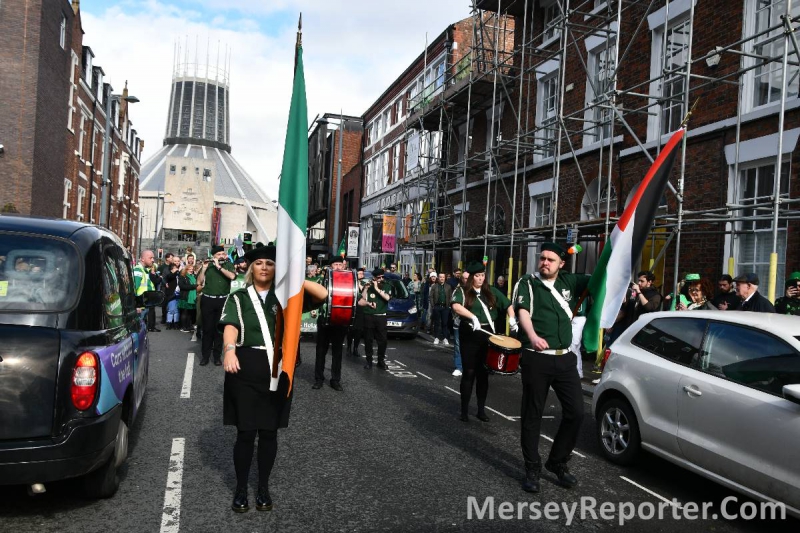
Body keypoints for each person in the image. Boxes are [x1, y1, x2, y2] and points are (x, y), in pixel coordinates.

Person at [219, 244, 327, 513]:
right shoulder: (239, 298)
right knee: (245, 434)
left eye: (269, 263)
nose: (264, 267)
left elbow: (323, 294)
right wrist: (229, 350)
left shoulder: (286, 297)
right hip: (245, 368)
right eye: (259, 263)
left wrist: (292, 280)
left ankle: (263, 487)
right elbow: (231, 327)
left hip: (278, 370)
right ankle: (242, 488)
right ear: (251, 268)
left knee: (268, 433)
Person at [513, 242, 589, 493]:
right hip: (537, 357)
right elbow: (522, 311)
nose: (544, 262)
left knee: (576, 412)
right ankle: (532, 467)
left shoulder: (570, 281)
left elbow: (599, 279)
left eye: (550, 260)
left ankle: (556, 462)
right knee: (532, 413)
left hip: (566, 358)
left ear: (561, 264)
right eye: (542, 258)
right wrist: (532, 336)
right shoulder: (527, 282)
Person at [451, 261, 516, 422]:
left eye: (482, 275)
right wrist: (472, 317)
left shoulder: (491, 291)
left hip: (488, 335)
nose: (480, 278)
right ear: (472, 277)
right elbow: (456, 306)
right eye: (477, 276)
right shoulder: (462, 291)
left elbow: (507, 304)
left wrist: (513, 319)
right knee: (469, 372)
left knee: (483, 374)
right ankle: (464, 410)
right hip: (470, 334)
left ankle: (481, 410)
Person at [313, 256, 350, 391]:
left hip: (340, 320)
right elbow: (314, 296)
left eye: (340, 264)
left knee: (337, 352)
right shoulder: (322, 280)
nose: (338, 267)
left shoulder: (348, 282)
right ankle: (319, 379)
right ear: (330, 266)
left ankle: (335, 380)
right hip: (324, 319)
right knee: (321, 351)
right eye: (335, 264)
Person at [197, 245, 237, 366]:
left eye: (222, 254)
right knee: (207, 329)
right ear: (213, 256)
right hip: (208, 300)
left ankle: (217, 356)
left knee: (219, 330)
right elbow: (199, 281)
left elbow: (232, 276)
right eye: (218, 254)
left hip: (223, 300)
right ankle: (205, 356)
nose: (221, 256)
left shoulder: (228, 265)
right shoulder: (207, 265)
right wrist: (203, 268)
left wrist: (219, 267)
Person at [360, 267, 395, 369]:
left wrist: (376, 289)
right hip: (369, 315)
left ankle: (381, 360)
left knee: (382, 340)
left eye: (382, 277)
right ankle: (369, 361)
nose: (380, 279)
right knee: (368, 339)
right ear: (374, 278)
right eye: (378, 277)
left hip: (381, 316)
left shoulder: (387, 285)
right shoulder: (368, 285)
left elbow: (387, 298)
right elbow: (362, 299)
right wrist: (366, 288)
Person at [133, 250, 158, 332]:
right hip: (140, 307)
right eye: (150, 258)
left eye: (153, 258)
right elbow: (134, 288)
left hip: (144, 305)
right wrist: (137, 305)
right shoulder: (138, 270)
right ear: (142, 259)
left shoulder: (144, 270)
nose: (153, 260)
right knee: (138, 331)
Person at [451, 270, 470, 377]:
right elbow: (455, 307)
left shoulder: (476, 291)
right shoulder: (458, 290)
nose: (466, 280)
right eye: (464, 278)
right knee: (458, 345)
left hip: (473, 325)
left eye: (468, 278)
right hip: (459, 322)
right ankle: (459, 366)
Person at [347, 267, 368, 357]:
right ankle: (348, 347)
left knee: (359, 330)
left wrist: (363, 286)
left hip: (360, 310)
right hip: (352, 308)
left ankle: (355, 348)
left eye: (362, 274)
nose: (361, 275)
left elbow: (364, 296)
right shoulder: (351, 282)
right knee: (350, 330)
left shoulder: (364, 283)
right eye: (360, 273)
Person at [429, 273, 453, 345]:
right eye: (440, 277)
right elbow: (431, 296)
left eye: (443, 277)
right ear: (438, 278)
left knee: (445, 323)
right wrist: (433, 306)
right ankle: (436, 337)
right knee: (437, 323)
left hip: (445, 307)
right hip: (437, 306)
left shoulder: (448, 287)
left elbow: (450, 296)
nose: (442, 278)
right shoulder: (434, 286)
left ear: (445, 278)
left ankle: (445, 338)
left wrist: (449, 306)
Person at [178, 264, 198, 332]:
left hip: (192, 297)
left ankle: (189, 326)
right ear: (186, 269)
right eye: (189, 269)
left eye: (192, 269)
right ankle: (183, 327)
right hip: (185, 296)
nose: (191, 270)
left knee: (190, 313)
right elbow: (182, 286)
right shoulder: (182, 276)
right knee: (185, 313)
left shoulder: (194, 276)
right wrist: (194, 286)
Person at [163, 258, 181, 329]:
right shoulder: (170, 275)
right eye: (174, 268)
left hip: (178, 294)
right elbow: (170, 277)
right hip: (171, 294)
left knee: (176, 310)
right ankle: (169, 323)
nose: (176, 269)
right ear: (171, 270)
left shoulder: (178, 275)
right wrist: (175, 272)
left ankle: (176, 323)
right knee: (171, 310)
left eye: (176, 268)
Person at [159, 252, 175, 324]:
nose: (172, 259)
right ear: (167, 258)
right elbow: (159, 276)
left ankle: (171, 318)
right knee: (164, 303)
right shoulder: (162, 267)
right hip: (164, 287)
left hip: (172, 287)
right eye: (171, 258)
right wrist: (164, 282)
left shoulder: (173, 266)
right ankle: (164, 317)